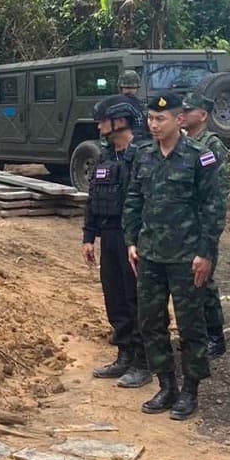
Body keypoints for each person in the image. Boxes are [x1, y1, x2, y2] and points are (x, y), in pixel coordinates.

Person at [124, 93, 226, 420]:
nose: (154, 125)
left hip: (187, 257)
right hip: (150, 254)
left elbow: (214, 208)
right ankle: (166, 384)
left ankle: (190, 389)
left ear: (179, 120)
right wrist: (131, 241)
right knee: (151, 321)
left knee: (191, 324)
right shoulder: (143, 155)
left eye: (160, 119)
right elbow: (134, 199)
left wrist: (206, 253)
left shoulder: (200, 156)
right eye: (151, 119)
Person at [85, 98, 150, 388]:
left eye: (102, 120)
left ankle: (143, 361)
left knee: (136, 298)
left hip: (134, 239)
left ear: (119, 122)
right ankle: (124, 354)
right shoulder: (105, 156)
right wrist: (89, 237)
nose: (98, 126)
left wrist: (136, 239)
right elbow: (92, 198)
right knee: (114, 298)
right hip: (109, 236)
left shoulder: (143, 155)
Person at [180, 91, 230, 357]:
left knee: (204, 281)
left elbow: (218, 194)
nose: (184, 115)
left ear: (203, 115)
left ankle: (215, 336)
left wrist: (211, 229)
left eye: (189, 111)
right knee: (188, 282)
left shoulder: (212, 146)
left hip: (202, 225)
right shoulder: (184, 142)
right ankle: (196, 332)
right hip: (183, 225)